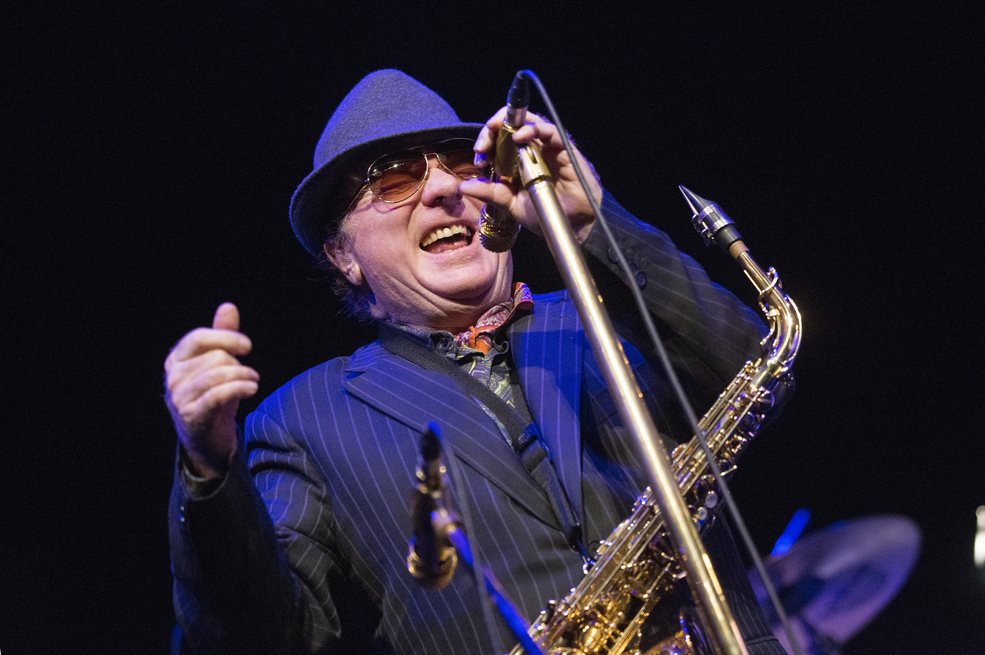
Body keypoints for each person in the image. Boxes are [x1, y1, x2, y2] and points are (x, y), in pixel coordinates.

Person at [165, 69, 788, 655]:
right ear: (344, 256)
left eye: (463, 164)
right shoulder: (301, 420)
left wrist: (596, 228)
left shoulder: (610, 311)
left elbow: (751, 365)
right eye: (394, 180)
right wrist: (208, 469)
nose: (443, 188)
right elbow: (263, 637)